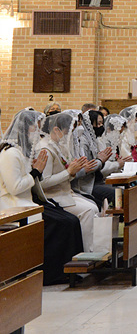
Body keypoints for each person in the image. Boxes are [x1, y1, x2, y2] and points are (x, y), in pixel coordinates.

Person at [0, 108, 84, 284]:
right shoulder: (10, 153)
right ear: (24, 129)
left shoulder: (22, 152)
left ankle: (73, 269)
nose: (38, 132)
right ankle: (53, 273)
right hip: (14, 205)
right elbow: (15, 188)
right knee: (63, 223)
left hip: (28, 201)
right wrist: (36, 172)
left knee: (70, 220)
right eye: (35, 128)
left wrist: (34, 172)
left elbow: (29, 181)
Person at [36, 112, 101, 252]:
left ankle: (93, 249)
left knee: (94, 207)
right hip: (53, 196)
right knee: (88, 211)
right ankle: (85, 252)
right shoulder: (45, 149)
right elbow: (43, 182)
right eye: (68, 131)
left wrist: (74, 171)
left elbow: (68, 174)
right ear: (56, 130)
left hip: (65, 192)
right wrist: (68, 172)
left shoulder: (59, 146)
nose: (70, 135)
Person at [71, 109, 117, 209]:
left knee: (122, 190)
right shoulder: (83, 142)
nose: (101, 126)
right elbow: (88, 166)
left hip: (96, 180)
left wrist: (101, 161)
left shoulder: (92, 140)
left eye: (102, 123)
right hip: (86, 184)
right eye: (98, 123)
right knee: (118, 194)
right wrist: (100, 161)